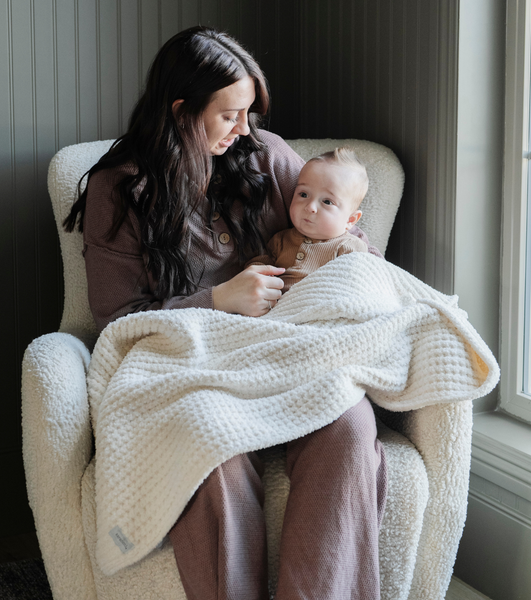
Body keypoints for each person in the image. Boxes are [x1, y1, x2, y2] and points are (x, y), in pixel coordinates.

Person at [64, 25, 387, 600]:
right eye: (231, 115)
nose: (245, 129)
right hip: (191, 368)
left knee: (350, 424)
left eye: (249, 113)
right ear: (182, 110)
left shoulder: (264, 155)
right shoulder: (118, 189)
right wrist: (218, 299)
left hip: (284, 356)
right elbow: (116, 319)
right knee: (209, 444)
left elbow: (350, 249)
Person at [247, 147, 369, 296]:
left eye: (327, 202)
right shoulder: (281, 240)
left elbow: (361, 286)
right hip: (280, 307)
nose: (310, 207)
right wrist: (256, 273)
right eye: (303, 194)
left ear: (350, 220)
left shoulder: (349, 247)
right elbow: (260, 265)